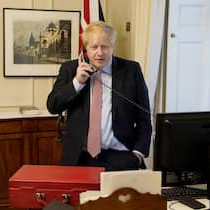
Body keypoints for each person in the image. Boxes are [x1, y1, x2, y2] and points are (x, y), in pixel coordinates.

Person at [47, 21, 152, 171]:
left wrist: (138, 154)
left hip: (122, 157)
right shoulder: (70, 69)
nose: (100, 52)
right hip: (79, 158)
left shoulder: (131, 70)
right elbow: (53, 105)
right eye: (94, 47)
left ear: (112, 47)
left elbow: (144, 116)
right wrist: (77, 82)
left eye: (105, 46)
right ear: (86, 48)